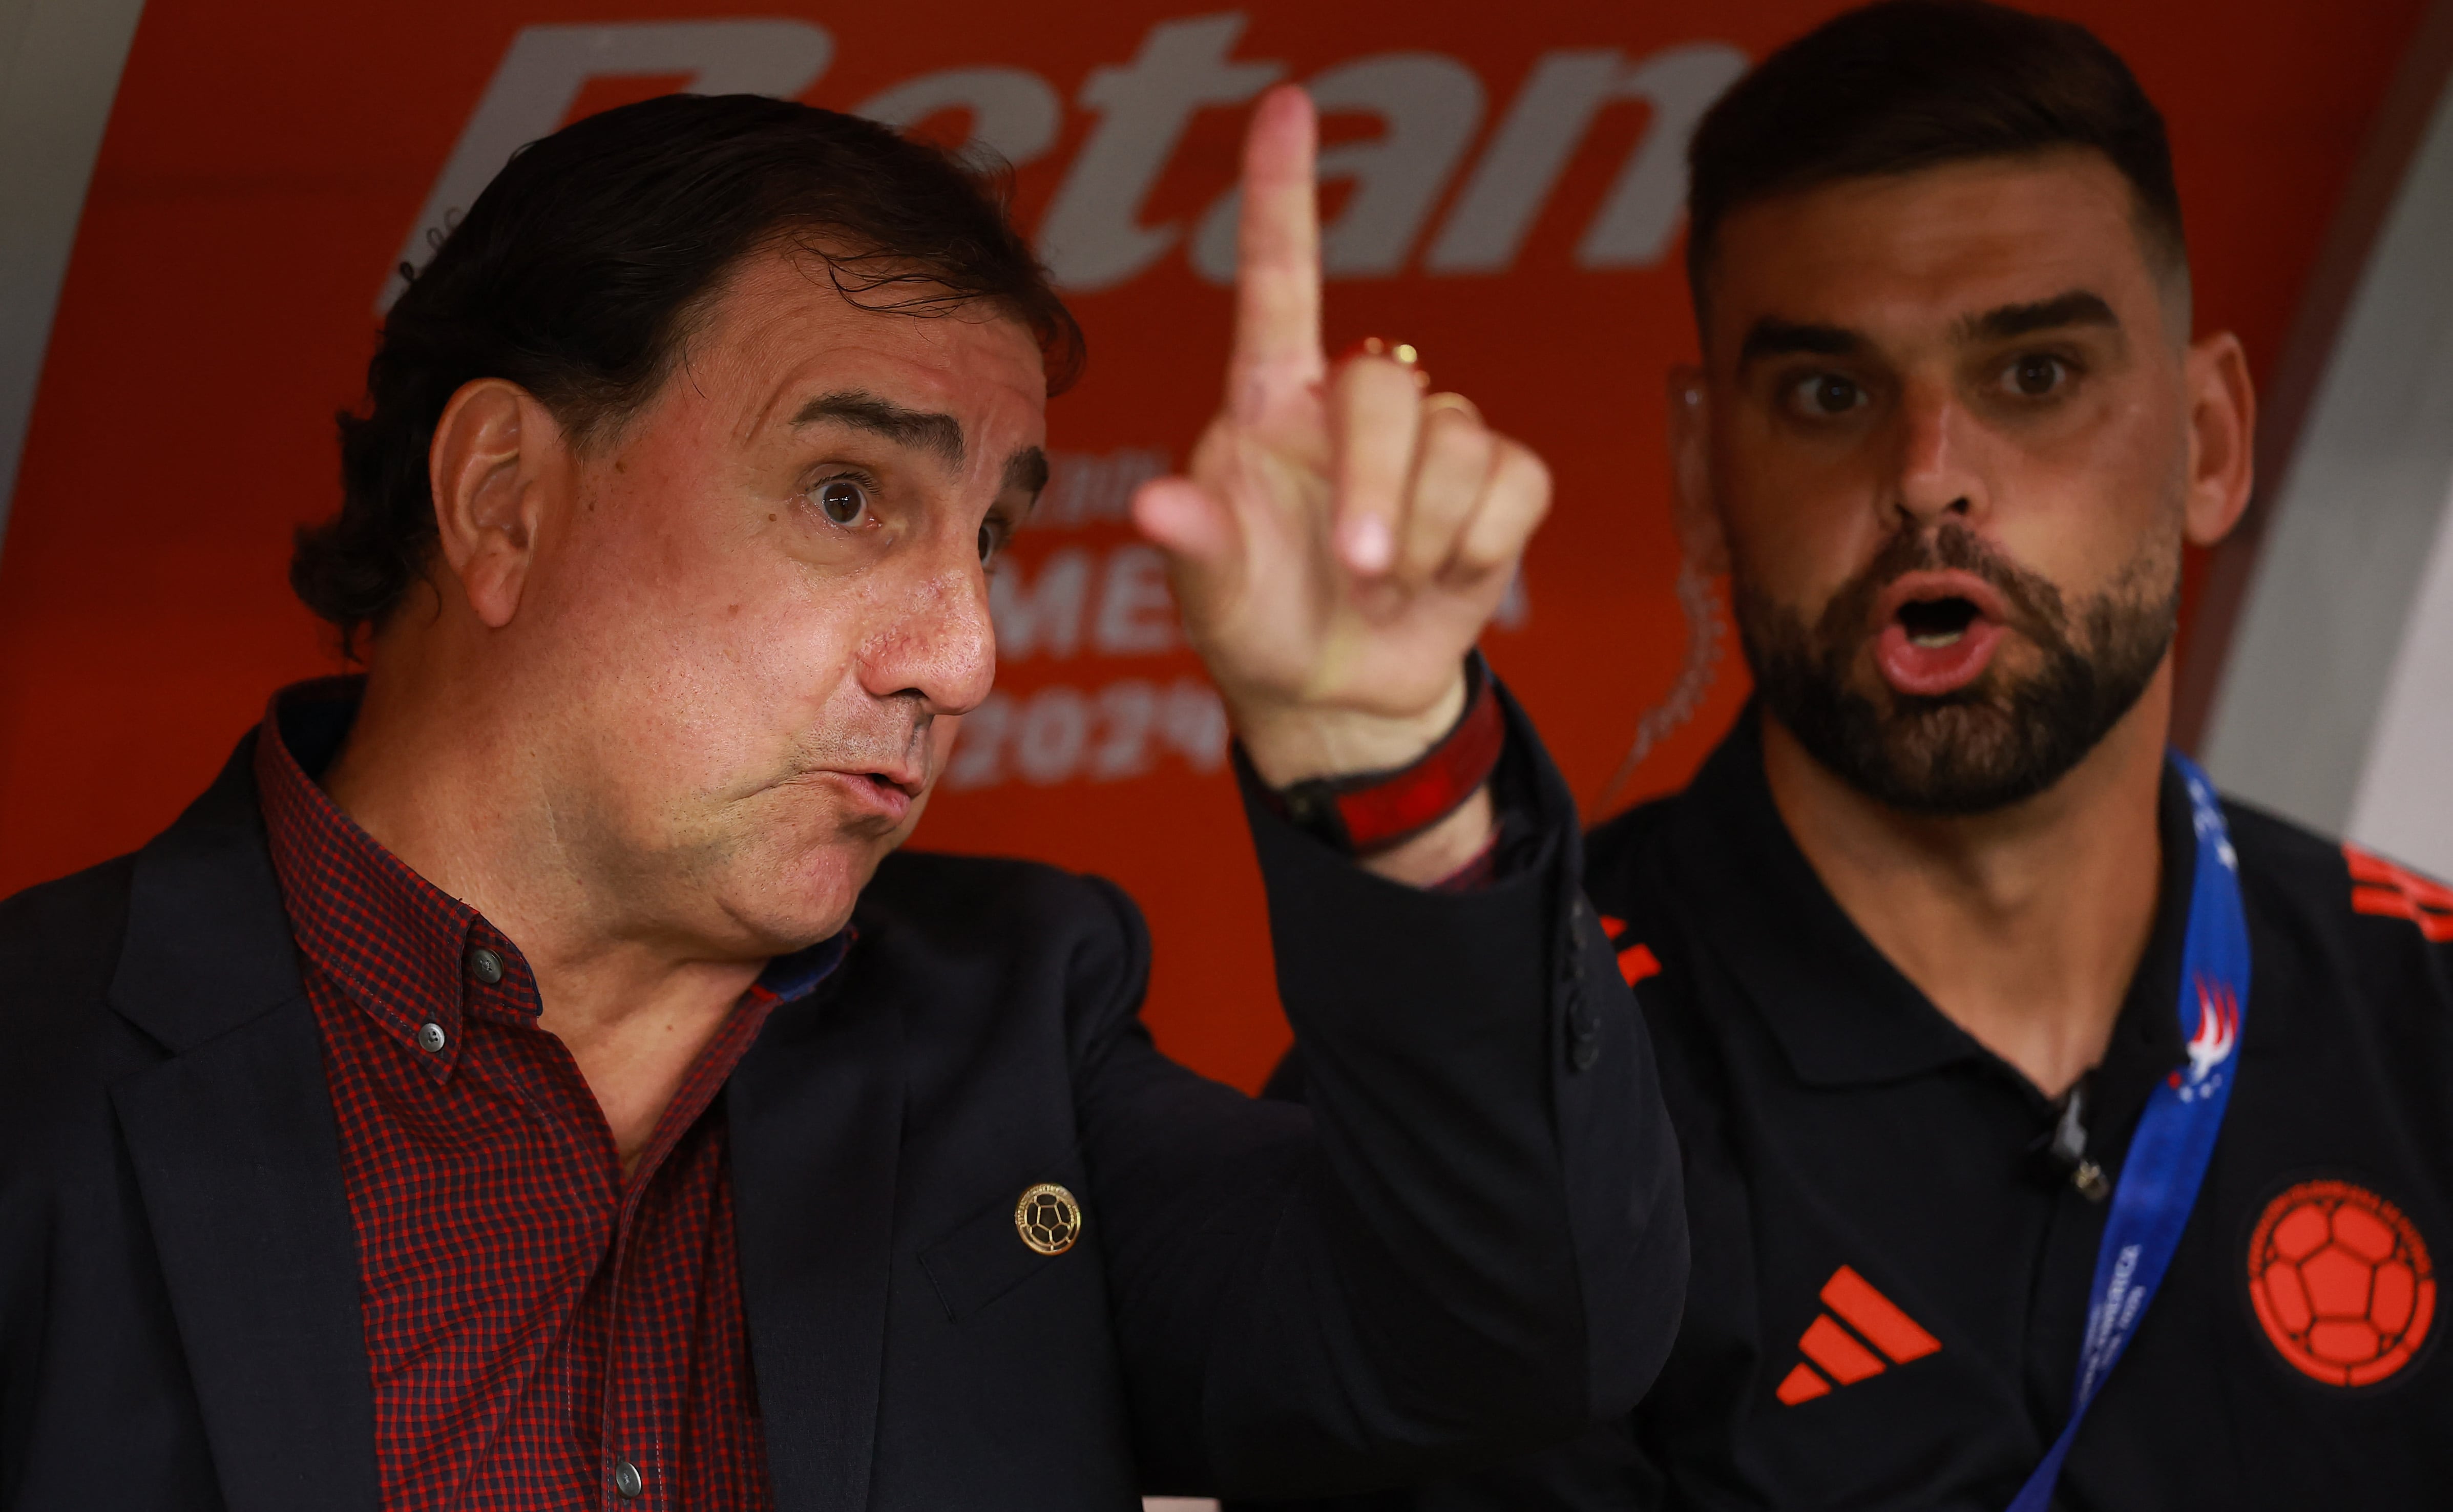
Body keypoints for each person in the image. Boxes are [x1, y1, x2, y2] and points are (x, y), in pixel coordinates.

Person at [0, 85, 1688, 1509]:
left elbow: (1517, 1335)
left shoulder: (1017, 1027)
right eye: (844, 494)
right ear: (503, 501)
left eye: (993, 534)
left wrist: (1391, 759)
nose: (962, 656)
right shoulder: (37, 1063)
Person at [1256, 0, 2453, 1510]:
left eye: (2034, 375)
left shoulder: (2424, 1018)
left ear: (2210, 441)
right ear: (1704, 474)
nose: (1927, 479)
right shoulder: (1488, 1114)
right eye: (1830, 394)